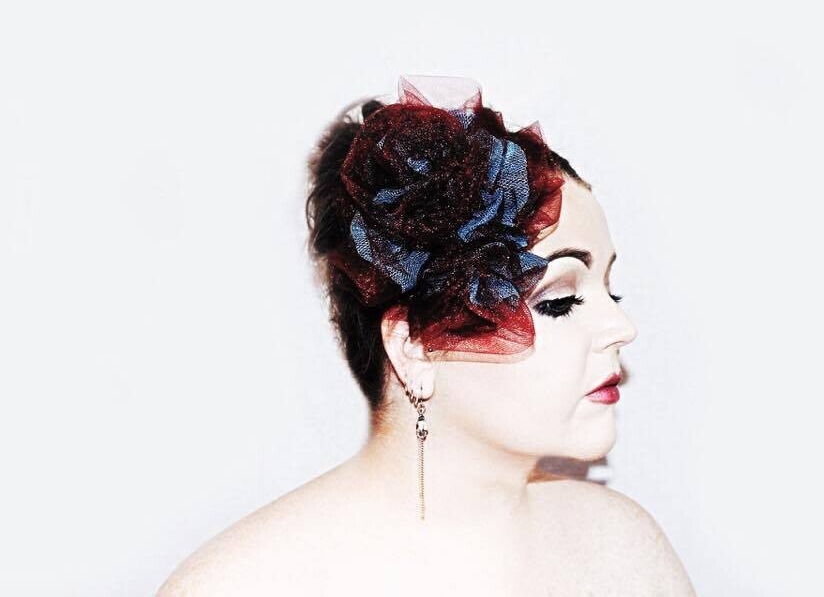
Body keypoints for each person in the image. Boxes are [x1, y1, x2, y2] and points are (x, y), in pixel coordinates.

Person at [157, 75, 697, 596]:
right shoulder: (241, 586)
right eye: (558, 301)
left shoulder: (624, 550)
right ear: (413, 347)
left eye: (611, 292)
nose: (622, 329)